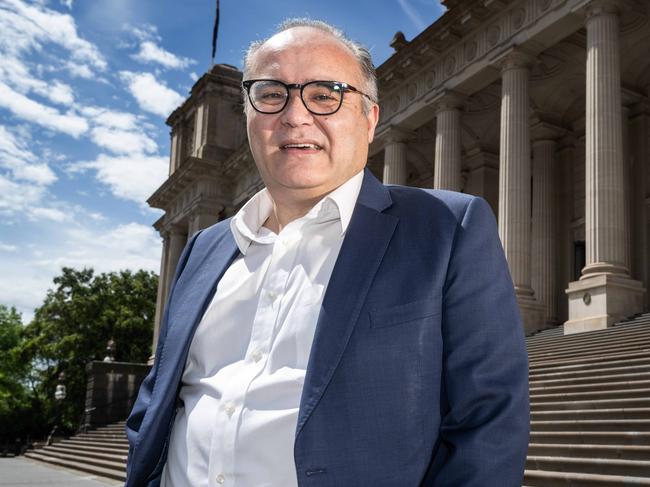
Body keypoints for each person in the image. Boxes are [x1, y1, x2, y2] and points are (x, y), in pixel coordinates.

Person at [124, 18, 529, 487]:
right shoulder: (204, 248)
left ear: (370, 117)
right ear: (248, 116)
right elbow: (156, 403)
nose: (296, 116)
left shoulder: (446, 228)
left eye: (325, 94)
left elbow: (489, 421)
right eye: (272, 94)